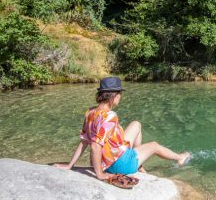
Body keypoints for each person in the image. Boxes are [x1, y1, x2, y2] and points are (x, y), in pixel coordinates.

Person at [53, 77, 190, 180]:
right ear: (113, 96)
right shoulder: (110, 116)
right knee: (154, 145)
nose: (121, 96)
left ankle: (139, 164)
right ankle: (179, 158)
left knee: (136, 124)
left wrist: (70, 165)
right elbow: (95, 146)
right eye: (120, 93)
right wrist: (99, 174)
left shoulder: (90, 112)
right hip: (118, 164)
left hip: (107, 158)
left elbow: (84, 141)